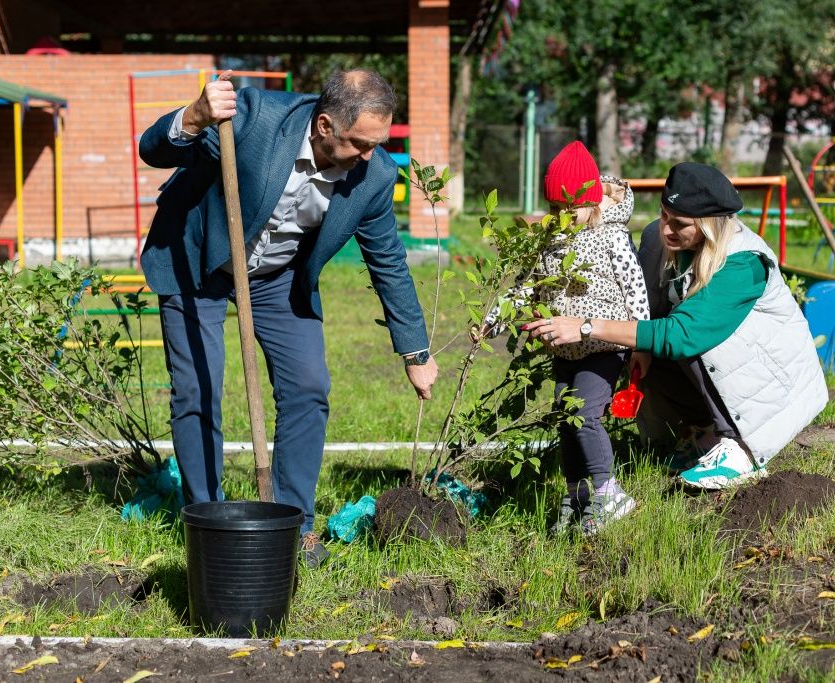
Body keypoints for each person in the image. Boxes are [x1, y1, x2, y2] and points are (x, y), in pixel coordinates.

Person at [139, 70, 438, 566]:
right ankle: (208, 522)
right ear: (323, 125)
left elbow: (388, 260)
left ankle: (294, 524)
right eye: (361, 144)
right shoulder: (254, 121)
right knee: (198, 388)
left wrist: (416, 351)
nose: (370, 157)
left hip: (276, 276)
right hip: (198, 260)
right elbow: (155, 151)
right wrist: (194, 117)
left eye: (377, 144)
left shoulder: (376, 176)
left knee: (308, 386)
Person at [524, 162, 827, 490]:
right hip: (721, 367)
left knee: (682, 336)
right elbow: (641, 309)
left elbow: (683, 335)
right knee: (643, 342)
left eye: (679, 224)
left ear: (709, 226)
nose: (666, 229)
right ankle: (701, 432)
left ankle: (740, 449)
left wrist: (585, 327)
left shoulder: (743, 263)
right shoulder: (659, 238)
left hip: (771, 383)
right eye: (664, 215)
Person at [476, 141, 649, 535]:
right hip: (565, 351)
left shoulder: (612, 237)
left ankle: (609, 493)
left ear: (590, 203)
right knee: (565, 419)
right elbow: (524, 289)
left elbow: (635, 290)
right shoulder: (547, 241)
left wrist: (641, 347)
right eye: (554, 209)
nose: (561, 218)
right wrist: (491, 322)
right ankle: (578, 496)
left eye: (569, 210)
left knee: (585, 414)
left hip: (605, 346)